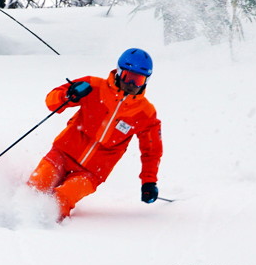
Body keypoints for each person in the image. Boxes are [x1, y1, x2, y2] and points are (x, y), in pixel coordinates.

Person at [27, 48, 163, 221]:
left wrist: (149, 182)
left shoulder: (145, 113)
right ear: (119, 72)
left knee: (61, 198)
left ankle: (42, 229)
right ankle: (9, 220)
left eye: (139, 80)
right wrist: (68, 95)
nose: (132, 85)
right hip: (63, 154)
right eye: (128, 77)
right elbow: (51, 101)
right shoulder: (93, 86)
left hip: (92, 172)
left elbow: (152, 150)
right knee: (36, 187)